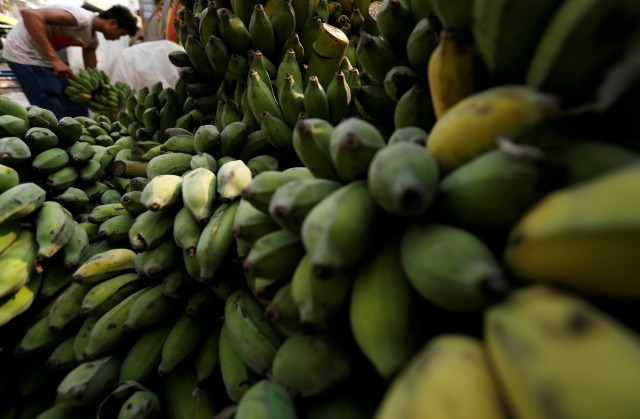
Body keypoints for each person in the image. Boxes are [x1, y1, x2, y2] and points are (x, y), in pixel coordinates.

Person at [2, 4, 138, 119]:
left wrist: (97, 89)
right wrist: (55, 59)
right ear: (112, 23)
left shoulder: (91, 40)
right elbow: (29, 14)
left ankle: (79, 133)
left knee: (74, 104)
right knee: (50, 106)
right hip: (24, 53)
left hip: (43, 58)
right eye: (121, 33)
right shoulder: (82, 18)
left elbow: (92, 72)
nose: (119, 38)